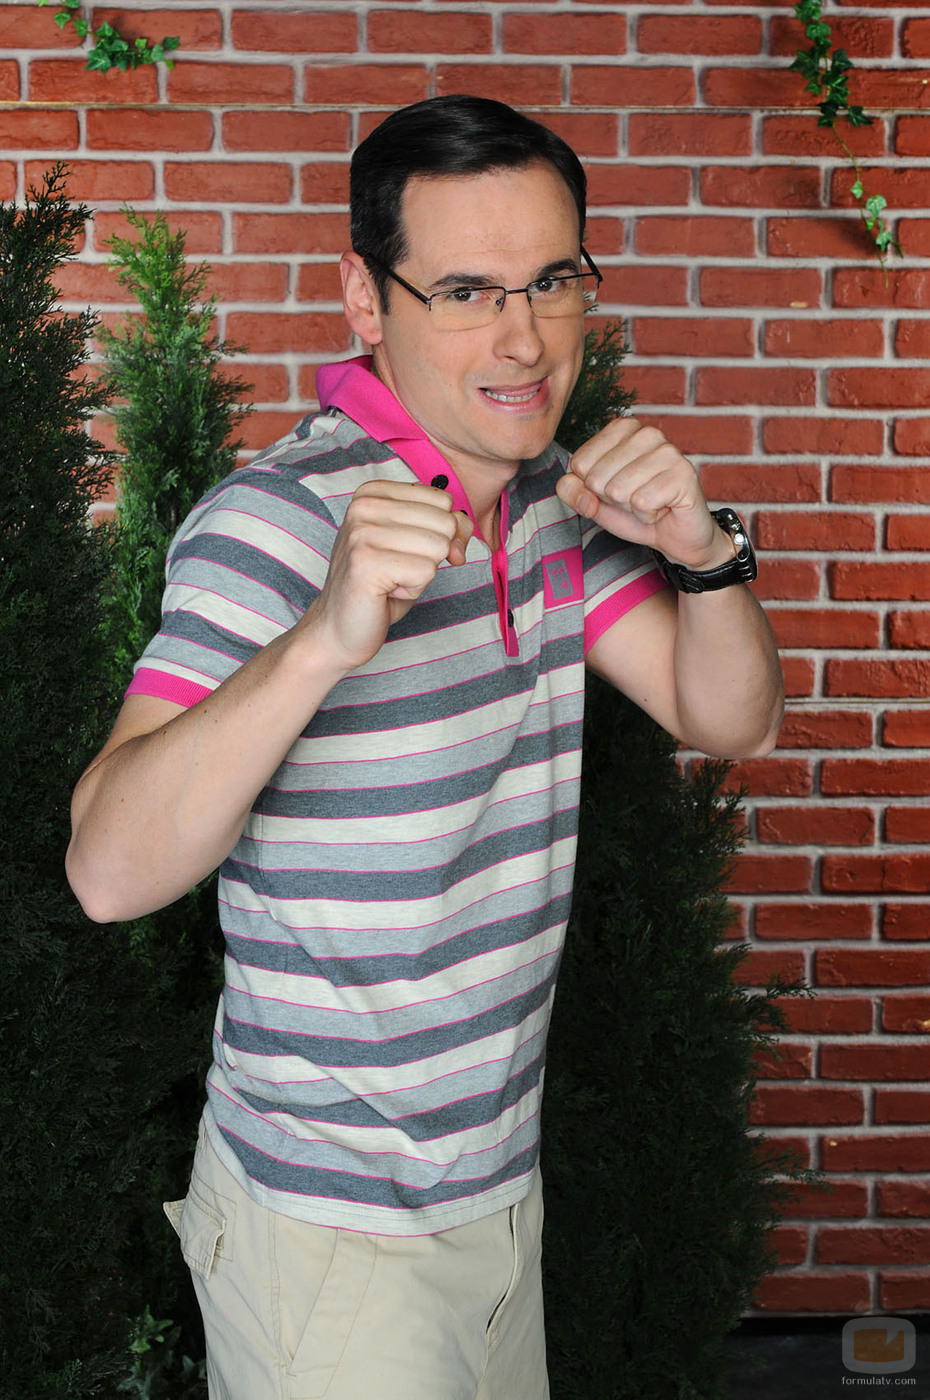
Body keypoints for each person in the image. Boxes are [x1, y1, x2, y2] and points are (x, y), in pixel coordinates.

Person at [67, 95, 783, 1400]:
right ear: (365, 296)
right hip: (328, 1235)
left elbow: (730, 717)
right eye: (462, 292)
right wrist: (321, 642)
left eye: (550, 281)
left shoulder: (548, 502)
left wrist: (704, 556)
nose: (522, 339)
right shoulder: (273, 529)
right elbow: (107, 873)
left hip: (493, 1193)